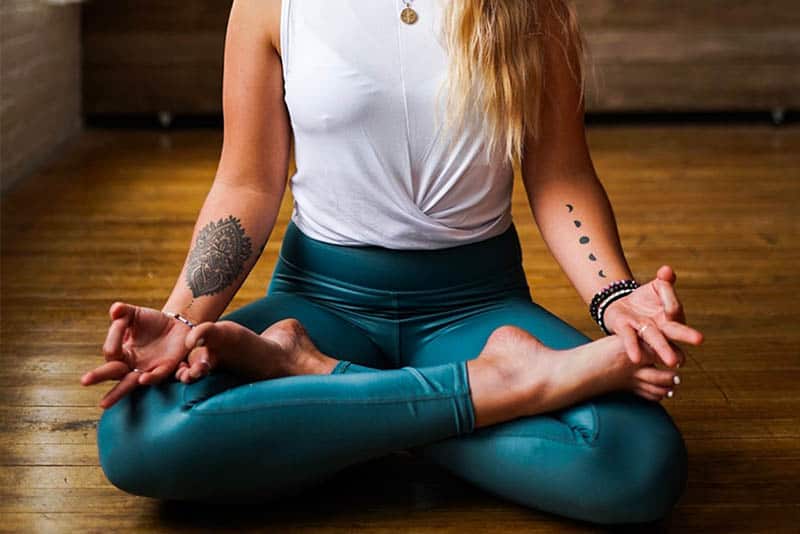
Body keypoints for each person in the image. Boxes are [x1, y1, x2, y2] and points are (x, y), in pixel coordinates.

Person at [81, 0, 704, 526]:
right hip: (320, 300)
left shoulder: (531, 5)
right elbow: (246, 184)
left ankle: (319, 380)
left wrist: (615, 294)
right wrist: (180, 320)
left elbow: (560, 172)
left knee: (638, 461)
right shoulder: (271, 4)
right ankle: (506, 383)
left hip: (476, 308)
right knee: (138, 435)